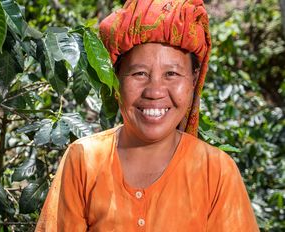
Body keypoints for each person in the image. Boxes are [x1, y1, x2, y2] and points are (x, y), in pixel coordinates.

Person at [36, 0, 259, 231]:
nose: (154, 92)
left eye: (171, 73)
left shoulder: (216, 171)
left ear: (193, 80)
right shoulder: (83, 159)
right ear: (116, 78)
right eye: (139, 73)